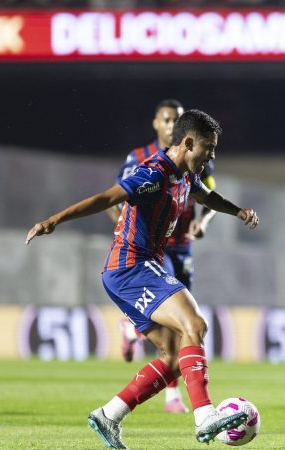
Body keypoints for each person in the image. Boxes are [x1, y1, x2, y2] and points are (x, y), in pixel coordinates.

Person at [26, 109, 258, 448]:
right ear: (188, 142)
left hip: (131, 271)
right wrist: (54, 220)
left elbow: (206, 197)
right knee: (195, 324)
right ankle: (205, 415)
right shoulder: (154, 174)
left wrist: (237, 211)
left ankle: (110, 414)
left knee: (176, 356)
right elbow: (107, 198)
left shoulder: (186, 175)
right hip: (131, 268)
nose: (211, 155)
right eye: (208, 147)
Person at [108, 99, 217, 415]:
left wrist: (203, 221)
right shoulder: (140, 159)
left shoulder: (200, 156)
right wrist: (123, 224)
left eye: (177, 120)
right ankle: (182, 402)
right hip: (153, 251)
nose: (172, 125)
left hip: (181, 244)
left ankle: (113, 411)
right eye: (167, 120)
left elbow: (208, 196)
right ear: (156, 124)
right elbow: (117, 196)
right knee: (187, 322)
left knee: (183, 327)